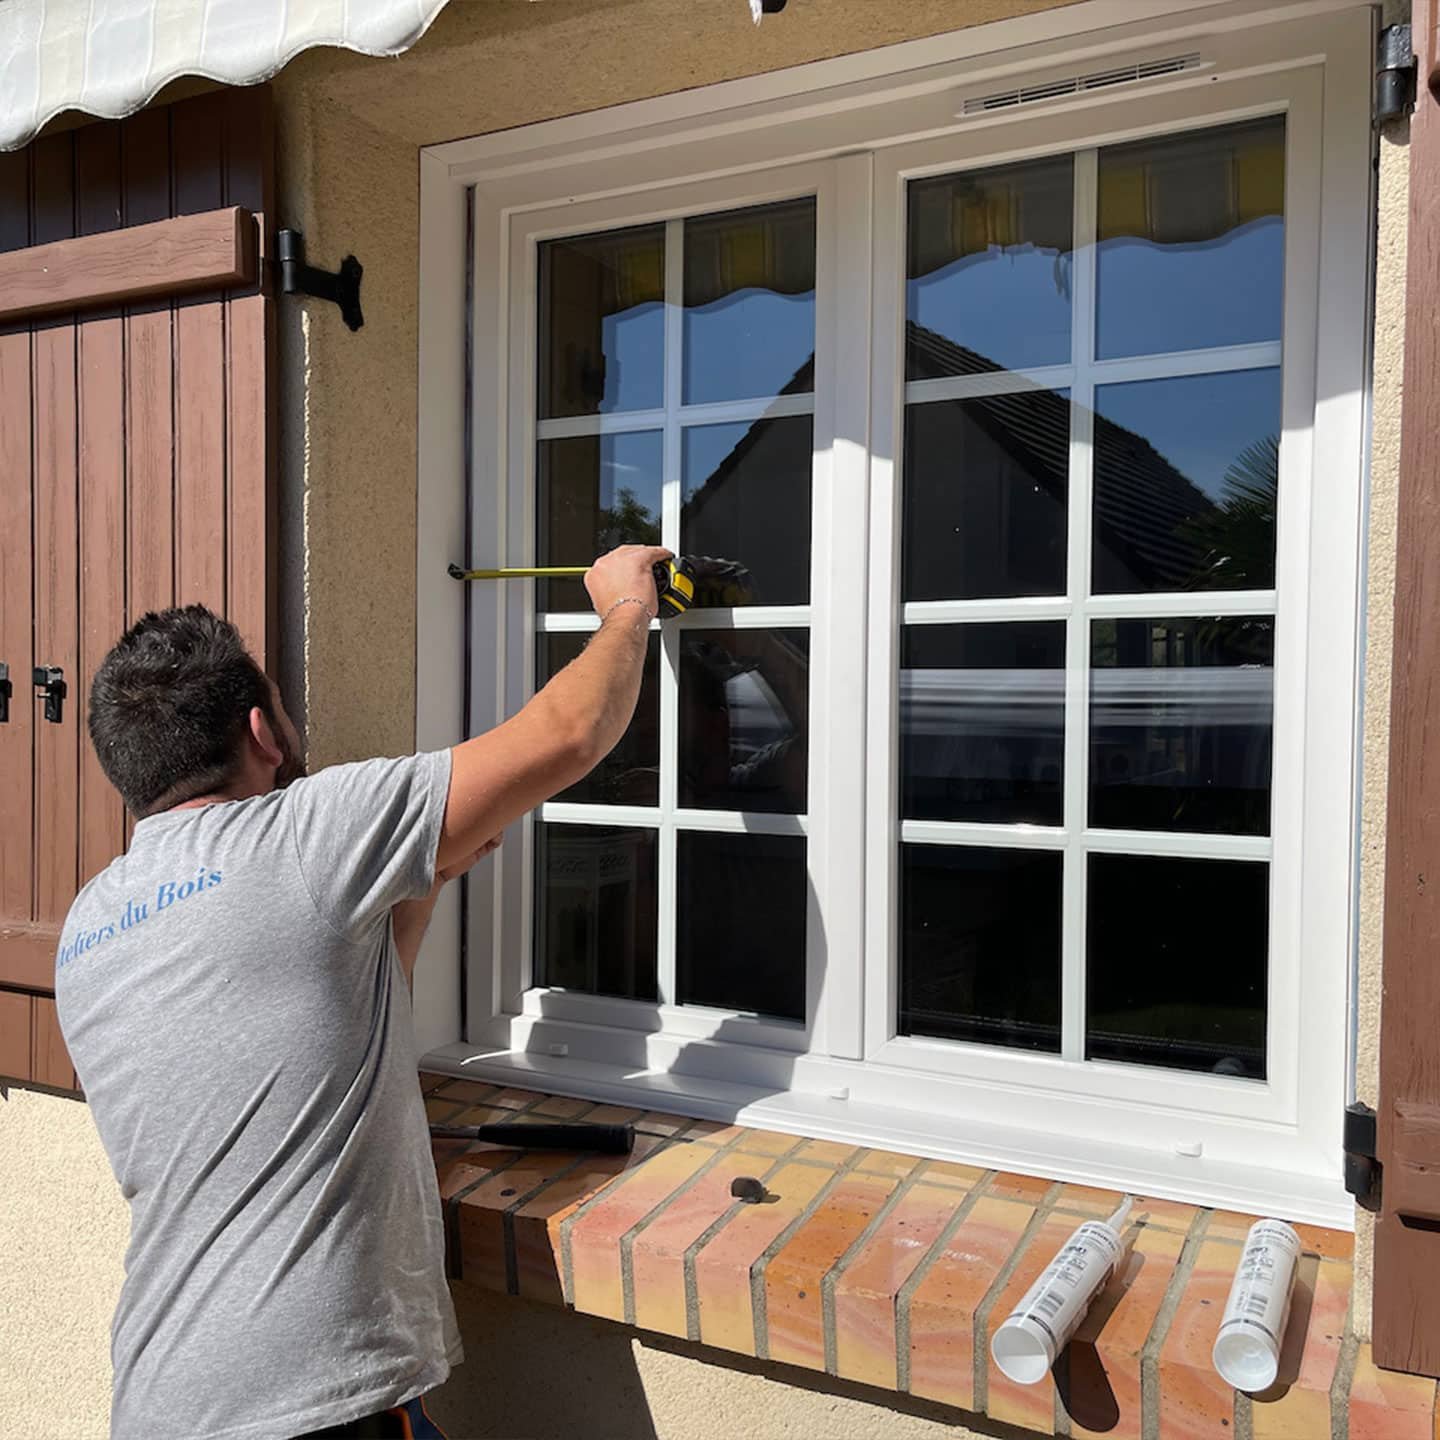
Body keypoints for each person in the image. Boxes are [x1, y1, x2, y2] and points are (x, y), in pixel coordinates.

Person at [54, 544, 671, 1440]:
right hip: (307, 1410)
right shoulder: (305, 832)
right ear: (264, 731)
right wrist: (625, 609)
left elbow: (329, 1011)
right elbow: (572, 734)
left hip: (160, 1400)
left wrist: (419, 878)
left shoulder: (90, 925)